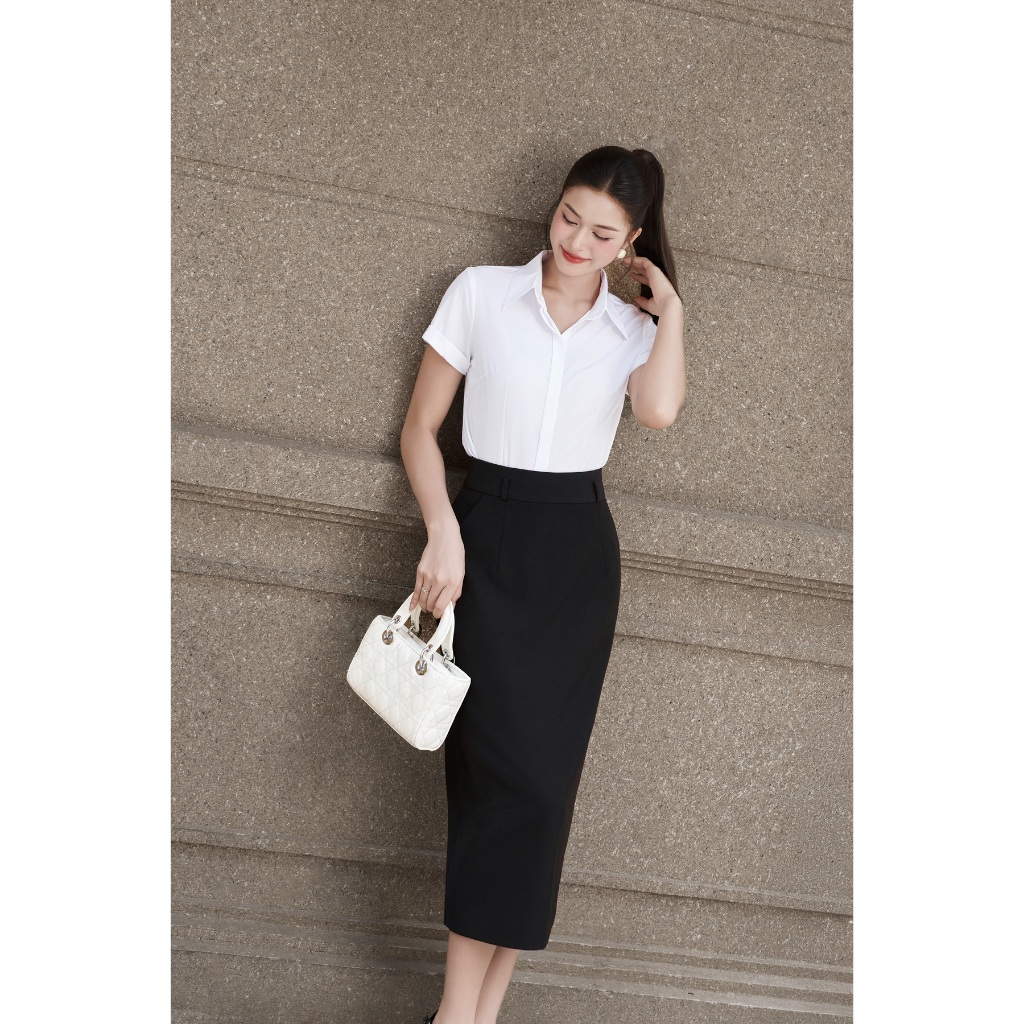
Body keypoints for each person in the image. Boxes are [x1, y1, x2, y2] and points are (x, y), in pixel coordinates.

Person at [399, 145, 686, 1024]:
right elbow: (419, 430)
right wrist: (443, 531)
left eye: (602, 233)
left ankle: (478, 1016)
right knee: (496, 786)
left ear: (631, 241)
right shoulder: (481, 294)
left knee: (543, 794)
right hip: (483, 539)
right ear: (554, 206)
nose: (575, 241)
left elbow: (658, 411)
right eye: (569, 217)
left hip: (575, 562)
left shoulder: (633, 330)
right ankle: (457, 1014)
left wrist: (671, 311)